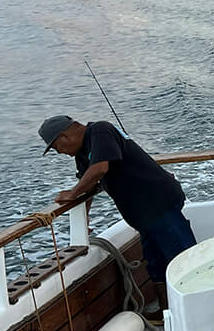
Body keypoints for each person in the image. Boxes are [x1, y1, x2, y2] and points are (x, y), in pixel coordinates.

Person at [39, 115, 196, 310]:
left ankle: (197, 311)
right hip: (143, 216)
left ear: (64, 136)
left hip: (159, 204)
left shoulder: (100, 131)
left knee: (184, 259)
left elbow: (99, 168)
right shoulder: (81, 153)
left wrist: (73, 193)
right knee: (155, 264)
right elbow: (88, 185)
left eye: (56, 148)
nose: (60, 153)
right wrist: (84, 217)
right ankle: (167, 314)